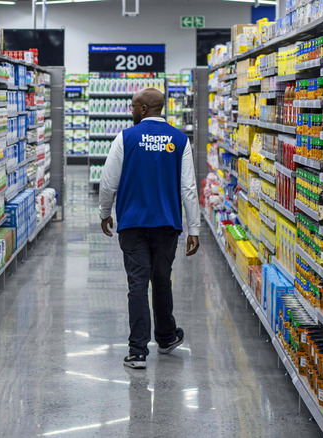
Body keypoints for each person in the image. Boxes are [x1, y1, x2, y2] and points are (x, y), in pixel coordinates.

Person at [99, 87, 201, 369]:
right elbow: (188, 188)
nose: (131, 111)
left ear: (143, 109)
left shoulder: (125, 138)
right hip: (167, 223)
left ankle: (137, 351)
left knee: (137, 284)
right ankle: (167, 338)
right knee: (162, 279)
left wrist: (104, 212)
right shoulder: (180, 140)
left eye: (133, 106)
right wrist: (194, 228)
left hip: (132, 224)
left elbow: (109, 181)